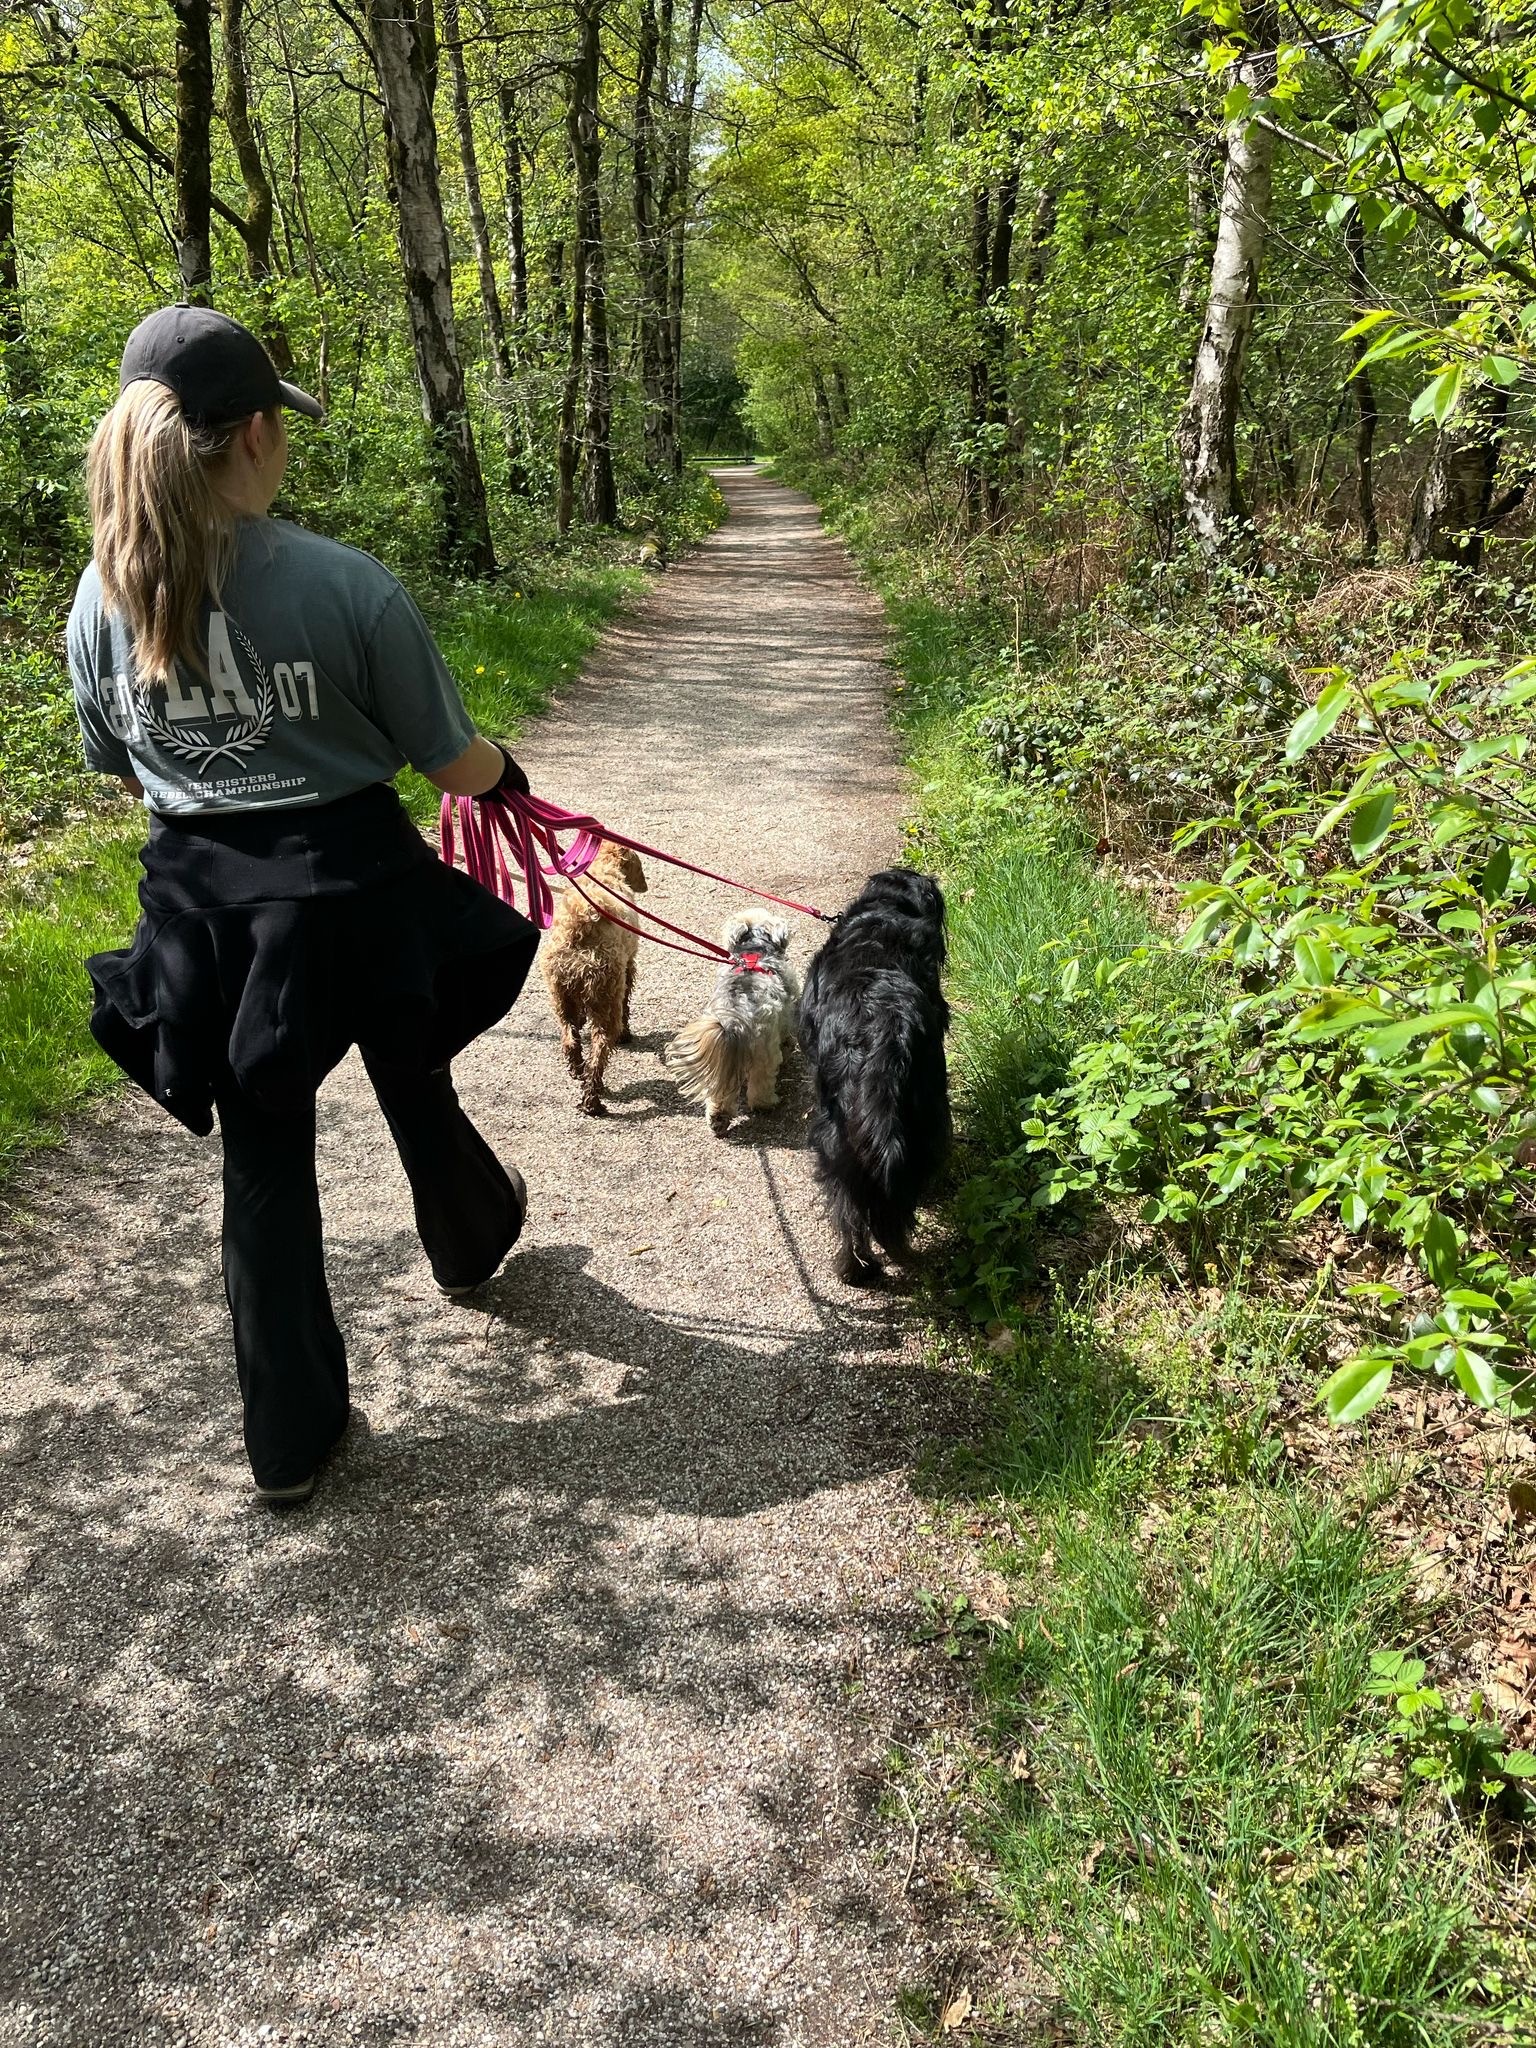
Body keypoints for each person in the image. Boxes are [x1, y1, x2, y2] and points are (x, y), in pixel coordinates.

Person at [68, 306, 539, 1506]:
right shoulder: (345, 585)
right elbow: (448, 761)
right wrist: (510, 780)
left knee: (265, 1155)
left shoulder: (98, 601)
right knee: (408, 1060)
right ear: (253, 437)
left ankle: (289, 1437)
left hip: (207, 911)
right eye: (281, 423)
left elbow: (121, 767)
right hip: (349, 886)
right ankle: (469, 1233)